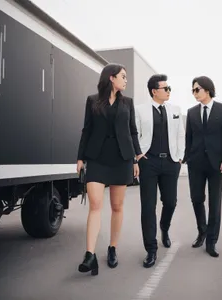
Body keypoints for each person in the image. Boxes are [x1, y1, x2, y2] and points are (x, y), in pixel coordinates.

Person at [76, 63, 141, 275]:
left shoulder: (128, 103)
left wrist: (136, 159)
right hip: (97, 158)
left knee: (117, 206)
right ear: (111, 78)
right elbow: (87, 129)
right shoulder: (92, 100)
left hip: (122, 157)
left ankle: (112, 248)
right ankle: (89, 254)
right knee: (95, 205)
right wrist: (80, 158)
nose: (126, 80)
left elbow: (132, 132)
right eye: (123, 76)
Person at [135, 74, 185, 268]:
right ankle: (151, 250)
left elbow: (181, 134)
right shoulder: (140, 110)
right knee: (148, 207)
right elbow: (136, 134)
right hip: (149, 163)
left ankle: (164, 227)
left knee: (170, 202)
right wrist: (138, 156)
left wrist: (180, 157)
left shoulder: (175, 110)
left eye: (169, 87)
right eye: (166, 88)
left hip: (171, 163)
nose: (169, 91)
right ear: (154, 91)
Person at [183, 76, 222, 257]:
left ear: (207, 89)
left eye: (197, 89)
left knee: (215, 203)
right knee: (197, 199)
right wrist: (186, 157)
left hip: (216, 164)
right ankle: (202, 231)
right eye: (192, 90)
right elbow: (188, 138)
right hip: (196, 163)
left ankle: (211, 241)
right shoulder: (191, 112)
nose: (194, 93)